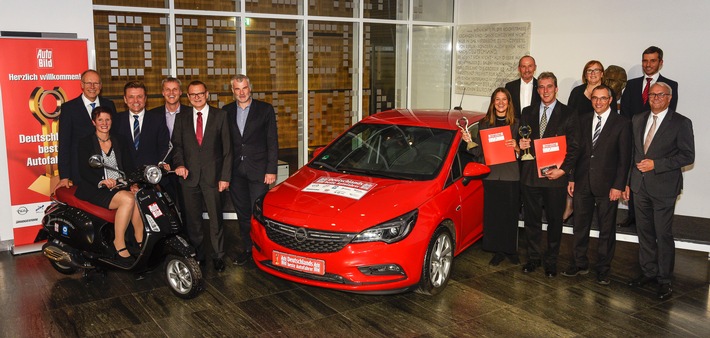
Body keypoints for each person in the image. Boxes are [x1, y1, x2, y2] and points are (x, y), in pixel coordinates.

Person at [623, 82, 694, 300]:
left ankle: (664, 279)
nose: (655, 98)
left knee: (662, 234)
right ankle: (648, 272)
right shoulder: (638, 119)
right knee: (644, 233)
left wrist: (657, 164)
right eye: (652, 94)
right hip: (639, 186)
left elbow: (687, 156)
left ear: (669, 97)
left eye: (660, 94)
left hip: (664, 187)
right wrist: (627, 183)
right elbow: (633, 154)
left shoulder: (681, 122)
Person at [562, 84, 631, 285]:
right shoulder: (582, 121)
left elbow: (624, 158)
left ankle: (603, 268)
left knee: (606, 229)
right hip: (582, 182)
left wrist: (618, 185)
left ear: (610, 100)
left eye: (602, 98)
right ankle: (579, 263)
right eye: (595, 98)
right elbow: (575, 153)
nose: (598, 102)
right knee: (579, 226)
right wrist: (572, 177)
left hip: (608, 186)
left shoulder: (621, 123)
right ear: (591, 99)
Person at [518, 72, 579, 277]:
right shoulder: (527, 111)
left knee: (554, 221)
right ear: (537, 90)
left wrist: (563, 171)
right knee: (531, 220)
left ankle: (551, 261)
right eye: (541, 87)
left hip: (556, 177)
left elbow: (575, 148)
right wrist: (521, 144)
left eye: (549, 86)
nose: (545, 91)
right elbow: (521, 138)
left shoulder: (569, 113)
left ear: (556, 89)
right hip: (531, 176)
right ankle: (533, 259)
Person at [171, 80, 232, 272]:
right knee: (193, 221)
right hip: (189, 178)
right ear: (188, 97)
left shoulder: (220, 116)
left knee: (216, 220)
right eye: (192, 94)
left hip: (213, 177)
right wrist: (179, 164)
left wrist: (225, 177)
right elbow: (177, 147)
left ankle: (219, 255)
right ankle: (198, 255)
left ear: (207, 94)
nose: (197, 97)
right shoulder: (181, 118)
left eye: (200, 93)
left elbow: (227, 150)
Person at [619, 46, 679, 228]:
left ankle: (651, 215)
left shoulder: (671, 85)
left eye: (653, 60)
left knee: (652, 177)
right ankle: (632, 215)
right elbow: (626, 112)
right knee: (633, 174)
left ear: (660, 63)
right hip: (634, 136)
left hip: (657, 140)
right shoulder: (632, 84)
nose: (648, 64)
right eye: (645, 60)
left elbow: (669, 113)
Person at [75, 106, 143, 264]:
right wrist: (102, 181)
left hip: (120, 185)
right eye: (100, 120)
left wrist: (133, 183)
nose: (104, 123)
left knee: (138, 196)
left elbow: (129, 166)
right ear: (94, 122)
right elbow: (83, 171)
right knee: (127, 199)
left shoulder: (120, 140)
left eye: (107, 119)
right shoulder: (85, 142)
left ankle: (140, 242)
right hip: (96, 188)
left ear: (112, 121)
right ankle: (119, 243)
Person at [224, 74, 279, 266]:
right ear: (233, 91)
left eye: (244, 88)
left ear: (250, 88)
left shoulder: (265, 110)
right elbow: (226, 145)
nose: (241, 92)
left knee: (259, 214)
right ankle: (248, 249)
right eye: (237, 89)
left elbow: (272, 141)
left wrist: (271, 169)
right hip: (236, 172)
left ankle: (263, 251)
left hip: (259, 171)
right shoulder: (226, 111)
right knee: (243, 213)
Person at [463, 88, 520, 266]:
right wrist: (468, 142)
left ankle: (511, 250)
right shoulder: (484, 124)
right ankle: (497, 250)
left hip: (511, 174)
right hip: (492, 175)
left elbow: (527, 151)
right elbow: (479, 154)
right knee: (494, 215)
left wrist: (517, 147)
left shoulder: (517, 124)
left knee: (510, 215)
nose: (501, 103)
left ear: (509, 103)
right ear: (493, 102)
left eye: (504, 99)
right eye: (497, 99)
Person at [563, 61, 618, 223]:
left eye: (596, 70)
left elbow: (612, 120)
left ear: (602, 74)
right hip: (579, 140)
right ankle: (569, 205)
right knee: (574, 173)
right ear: (585, 74)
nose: (593, 73)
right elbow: (569, 115)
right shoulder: (577, 92)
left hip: (601, 144)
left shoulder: (609, 93)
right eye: (589, 70)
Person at [57, 69, 116, 190]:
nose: (92, 87)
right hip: (80, 170)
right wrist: (64, 176)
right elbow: (64, 143)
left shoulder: (109, 105)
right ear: (82, 85)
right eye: (88, 83)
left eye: (96, 83)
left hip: (107, 169)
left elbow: (114, 137)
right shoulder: (69, 108)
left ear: (101, 85)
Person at [147, 77, 190, 221]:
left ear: (181, 92)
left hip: (186, 167)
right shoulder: (152, 115)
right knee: (165, 209)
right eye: (167, 89)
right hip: (161, 169)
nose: (171, 93)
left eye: (175, 89)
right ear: (162, 92)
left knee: (188, 209)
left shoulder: (191, 114)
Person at [114, 81, 170, 170]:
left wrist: (161, 164)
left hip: (151, 176)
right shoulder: (116, 120)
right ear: (125, 99)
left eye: (139, 96)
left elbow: (164, 147)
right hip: (125, 177)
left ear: (145, 98)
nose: (135, 101)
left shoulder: (158, 120)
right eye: (131, 97)